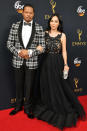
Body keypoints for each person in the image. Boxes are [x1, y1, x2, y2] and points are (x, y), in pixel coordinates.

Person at [32, 14, 86, 130]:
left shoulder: (63, 36)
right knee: (46, 84)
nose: (53, 23)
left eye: (56, 21)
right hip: (45, 62)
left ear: (59, 23)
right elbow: (39, 47)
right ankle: (48, 103)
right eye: (52, 21)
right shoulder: (44, 33)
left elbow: (64, 52)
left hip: (57, 62)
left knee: (58, 85)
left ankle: (58, 105)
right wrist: (37, 49)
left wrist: (66, 64)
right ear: (49, 22)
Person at [7, 4, 45, 118]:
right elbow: (9, 43)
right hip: (17, 61)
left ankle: (28, 108)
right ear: (22, 13)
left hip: (32, 62)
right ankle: (18, 106)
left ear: (33, 14)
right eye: (26, 12)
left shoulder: (39, 28)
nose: (28, 14)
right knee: (18, 85)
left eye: (31, 12)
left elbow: (42, 46)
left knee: (29, 86)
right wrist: (19, 52)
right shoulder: (15, 26)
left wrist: (29, 52)